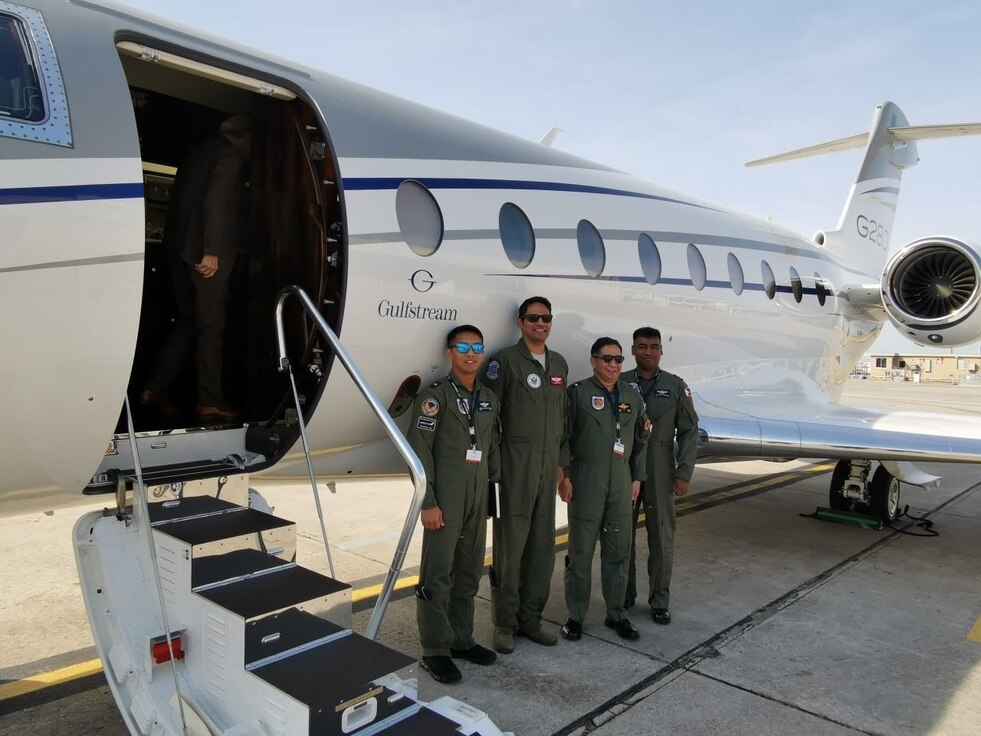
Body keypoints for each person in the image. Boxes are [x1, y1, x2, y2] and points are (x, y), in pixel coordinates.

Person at [140, 115, 251, 422]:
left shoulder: (196, 153)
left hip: (178, 250)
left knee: (189, 321)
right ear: (243, 137)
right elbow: (216, 201)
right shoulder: (230, 156)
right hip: (203, 255)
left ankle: (155, 388)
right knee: (212, 328)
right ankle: (210, 401)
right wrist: (212, 251)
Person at [407, 325, 501, 684]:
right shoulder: (435, 398)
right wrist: (427, 502)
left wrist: (492, 494)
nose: (471, 353)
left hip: (477, 496)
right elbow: (420, 452)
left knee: (468, 569)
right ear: (450, 353)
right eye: (463, 346)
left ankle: (461, 639)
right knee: (438, 573)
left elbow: (491, 449)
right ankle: (434, 650)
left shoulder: (489, 398)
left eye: (477, 346)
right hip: (444, 497)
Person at [480, 296, 569, 654]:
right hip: (515, 469)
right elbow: (488, 416)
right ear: (520, 323)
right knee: (510, 549)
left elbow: (562, 419)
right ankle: (504, 623)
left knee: (542, 548)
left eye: (546, 318)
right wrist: (494, 468)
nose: (540, 323)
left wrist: (562, 468)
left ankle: (530, 619)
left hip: (548, 471)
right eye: (533, 318)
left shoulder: (559, 363)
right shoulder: (504, 362)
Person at [558, 337, 650, 641]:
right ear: (593, 361)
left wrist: (637, 478)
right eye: (607, 359)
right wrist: (564, 476)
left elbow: (641, 439)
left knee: (619, 552)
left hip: (621, 485)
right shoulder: (578, 394)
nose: (613, 365)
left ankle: (616, 615)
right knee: (580, 553)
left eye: (618, 360)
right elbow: (563, 437)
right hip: (586, 481)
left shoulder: (631, 395)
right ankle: (575, 616)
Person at [622, 327, 699, 624]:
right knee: (621, 534)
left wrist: (684, 472)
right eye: (642, 346)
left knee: (662, 535)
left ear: (661, 351)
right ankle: (623, 595)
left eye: (653, 347)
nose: (648, 352)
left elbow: (690, 431)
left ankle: (659, 599)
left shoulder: (675, 386)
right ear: (633, 350)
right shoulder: (622, 381)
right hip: (627, 467)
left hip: (661, 466)